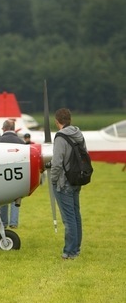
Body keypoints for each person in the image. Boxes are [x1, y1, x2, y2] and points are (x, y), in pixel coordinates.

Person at [50, 108, 85, 260]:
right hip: (77, 179)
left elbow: (57, 163)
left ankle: (69, 252)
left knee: (68, 218)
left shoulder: (60, 137)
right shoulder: (79, 134)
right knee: (76, 215)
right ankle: (76, 249)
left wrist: (53, 179)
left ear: (57, 121)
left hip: (63, 182)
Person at [0, 119, 25, 228]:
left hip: (3, 174)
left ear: (4, 129)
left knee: (4, 200)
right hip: (18, 175)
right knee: (15, 201)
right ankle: (14, 223)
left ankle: (3, 222)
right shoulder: (21, 142)